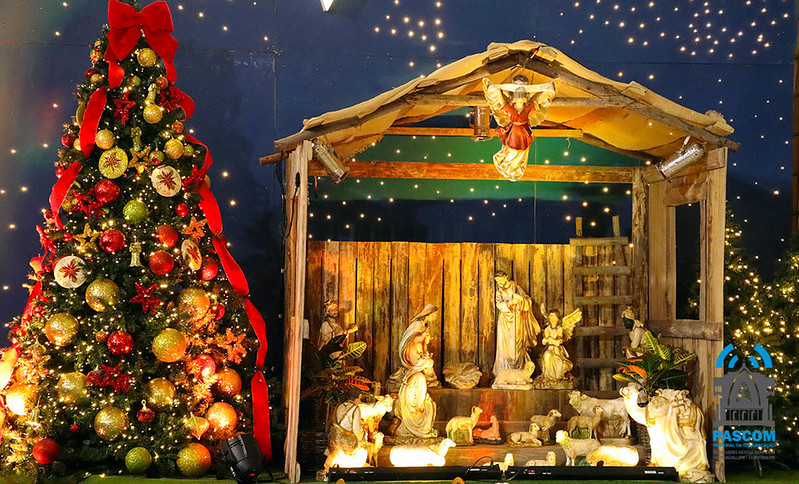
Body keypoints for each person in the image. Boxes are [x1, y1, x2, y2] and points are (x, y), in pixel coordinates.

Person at [482, 76, 559, 181]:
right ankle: (511, 167)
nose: (520, 101)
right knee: (515, 150)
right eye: (518, 99)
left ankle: (512, 167)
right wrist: (497, 91)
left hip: (522, 132)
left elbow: (539, 101)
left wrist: (548, 90)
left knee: (519, 151)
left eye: (521, 99)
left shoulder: (527, 108)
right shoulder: (511, 110)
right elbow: (502, 103)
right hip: (516, 133)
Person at [493, 271, 540, 380]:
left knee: (516, 343)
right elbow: (498, 304)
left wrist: (520, 300)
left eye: (500, 280)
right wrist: (510, 303)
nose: (499, 283)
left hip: (516, 318)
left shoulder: (515, 287)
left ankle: (518, 369)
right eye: (497, 281)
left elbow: (527, 301)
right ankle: (504, 371)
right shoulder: (499, 291)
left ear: (506, 278)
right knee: (504, 345)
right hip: (504, 320)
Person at [386, 304, 440, 390]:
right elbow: (414, 339)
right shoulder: (417, 324)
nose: (435, 317)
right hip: (412, 350)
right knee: (423, 364)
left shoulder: (424, 325)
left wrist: (426, 338)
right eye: (434, 315)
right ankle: (410, 378)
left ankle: (425, 379)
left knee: (427, 364)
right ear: (428, 315)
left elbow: (422, 341)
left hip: (418, 349)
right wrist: (423, 335)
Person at [395, 357, 438, 439]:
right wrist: (426, 401)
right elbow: (421, 399)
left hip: (406, 406)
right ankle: (423, 430)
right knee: (430, 405)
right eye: (430, 367)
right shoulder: (420, 377)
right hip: (412, 409)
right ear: (425, 368)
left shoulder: (411, 375)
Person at [538, 308, 581, 382]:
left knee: (559, 362)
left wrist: (549, 340)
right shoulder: (547, 329)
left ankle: (557, 377)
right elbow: (544, 341)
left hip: (558, 351)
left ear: (557, 318)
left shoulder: (560, 329)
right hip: (549, 349)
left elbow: (558, 342)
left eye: (554, 317)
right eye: (551, 316)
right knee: (547, 356)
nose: (552, 319)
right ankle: (547, 376)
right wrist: (549, 340)